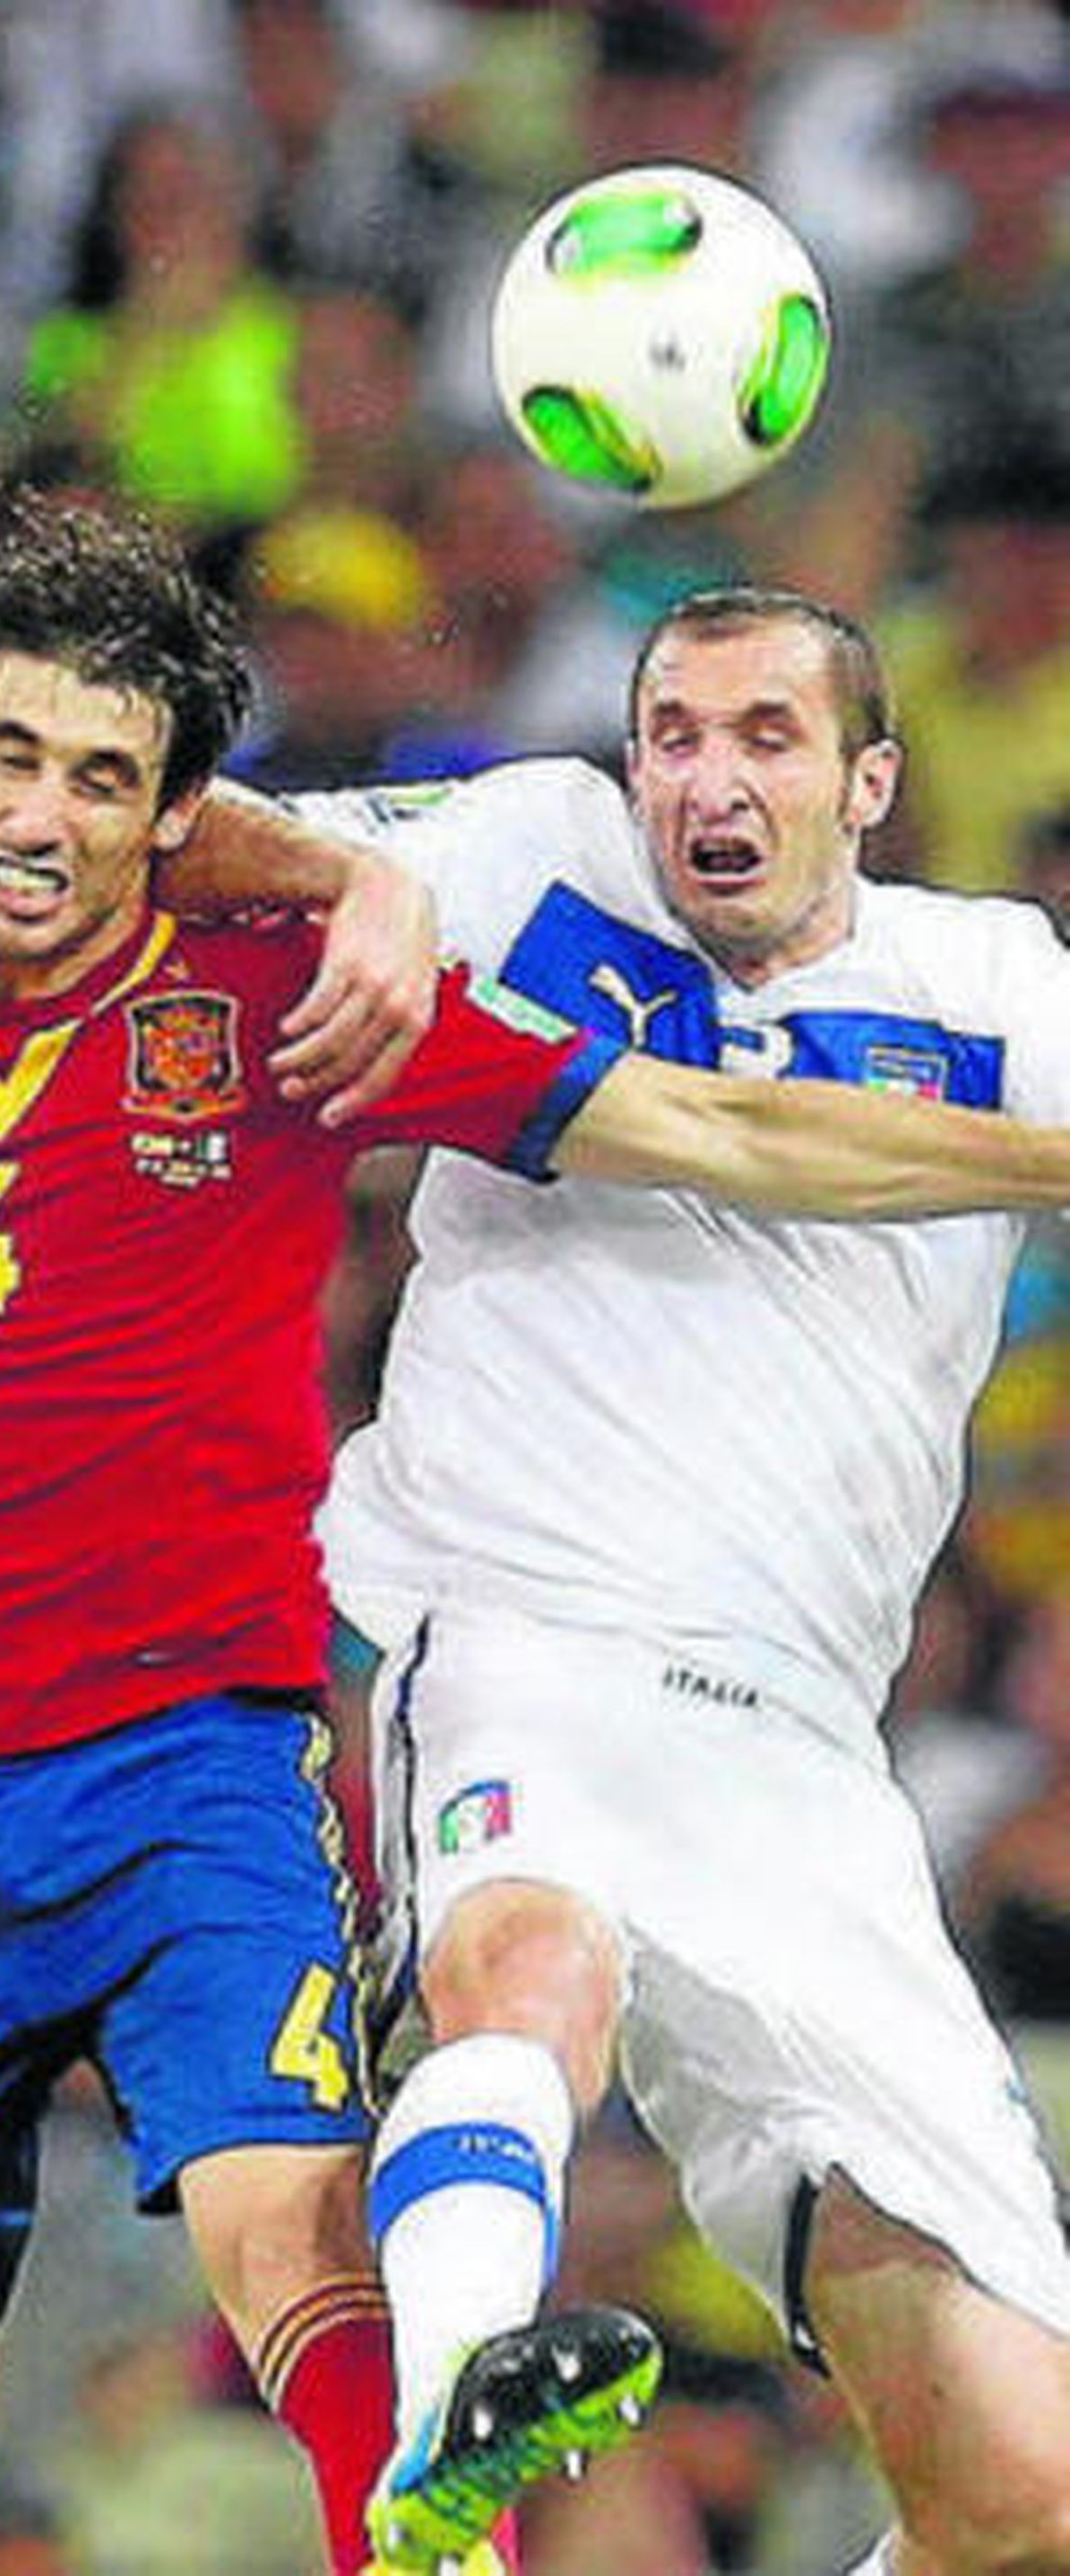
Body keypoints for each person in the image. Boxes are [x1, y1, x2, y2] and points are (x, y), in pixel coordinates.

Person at [168, 586, 1070, 2573]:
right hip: (525, 1625)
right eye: (671, 731)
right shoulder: (531, 853)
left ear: (871, 781)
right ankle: (454, 2414)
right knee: (532, 1963)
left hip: (804, 1756)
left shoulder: (995, 978)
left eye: (762, 735)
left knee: (1020, 2490)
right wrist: (358, 883)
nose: (703, 777)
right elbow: (180, 825)